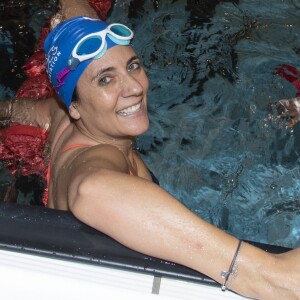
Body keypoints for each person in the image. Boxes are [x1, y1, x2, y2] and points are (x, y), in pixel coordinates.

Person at [0, 1, 299, 299]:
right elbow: (92, 188)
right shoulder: (94, 164)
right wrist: (251, 270)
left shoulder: (59, 113)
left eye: (133, 66)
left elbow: (11, 110)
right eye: (106, 79)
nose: (133, 87)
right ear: (74, 106)